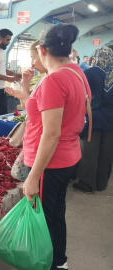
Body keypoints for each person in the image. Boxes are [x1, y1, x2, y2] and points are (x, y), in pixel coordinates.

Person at [6, 24, 91, 270]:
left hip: (50, 162)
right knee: (54, 215)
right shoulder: (76, 72)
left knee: (43, 218)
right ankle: (58, 262)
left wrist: (33, 177)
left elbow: (52, 134)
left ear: (42, 50)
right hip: (68, 155)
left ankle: (47, 264)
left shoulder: (54, 80)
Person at [74, 47, 113, 193]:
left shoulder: (90, 73)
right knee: (106, 153)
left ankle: (87, 184)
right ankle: (101, 183)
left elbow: (80, 94)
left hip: (93, 118)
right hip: (111, 120)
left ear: (95, 57)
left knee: (89, 152)